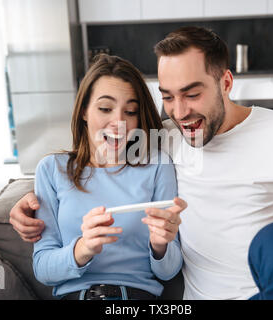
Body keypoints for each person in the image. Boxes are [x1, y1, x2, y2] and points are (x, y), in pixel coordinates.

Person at [10, 27, 273, 300]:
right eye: (168, 96)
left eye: (192, 93)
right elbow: (95, 159)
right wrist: (27, 201)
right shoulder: (165, 140)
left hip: (269, 294)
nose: (180, 111)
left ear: (226, 83)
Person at [29, 54, 186, 300]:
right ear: (83, 111)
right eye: (105, 108)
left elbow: (168, 271)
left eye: (131, 111)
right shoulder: (51, 169)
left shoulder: (157, 166)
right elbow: (43, 268)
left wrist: (160, 245)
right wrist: (84, 248)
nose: (119, 122)